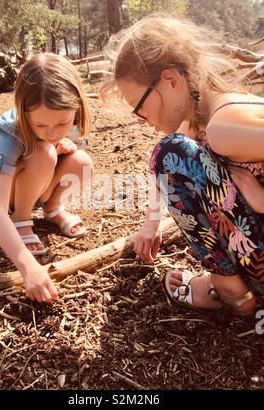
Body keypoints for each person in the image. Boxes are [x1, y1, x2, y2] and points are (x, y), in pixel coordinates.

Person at [100, 14, 264, 315]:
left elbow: (166, 162)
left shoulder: (222, 128)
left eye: (139, 107)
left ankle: (228, 289)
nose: (141, 120)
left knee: (168, 153)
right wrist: (151, 223)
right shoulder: (205, 117)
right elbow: (166, 173)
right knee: (173, 155)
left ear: (170, 80)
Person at [0, 53, 94, 303]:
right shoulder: (10, 132)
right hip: (8, 191)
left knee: (82, 162)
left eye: (62, 123)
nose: (51, 132)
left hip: (39, 181)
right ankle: (21, 218)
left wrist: (60, 144)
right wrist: (28, 267)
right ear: (23, 112)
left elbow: (63, 146)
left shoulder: (65, 118)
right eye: (40, 126)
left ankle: (52, 208)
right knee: (43, 152)